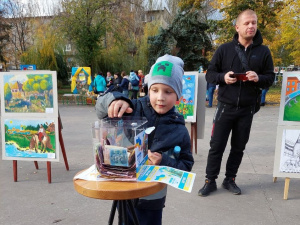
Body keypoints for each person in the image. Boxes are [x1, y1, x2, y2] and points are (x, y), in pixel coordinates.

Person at [96, 54, 194, 225]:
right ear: (148, 89)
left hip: (153, 198)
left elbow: (186, 166)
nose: (160, 97)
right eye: (155, 90)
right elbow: (100, 107)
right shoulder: (133, 108)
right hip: (124, 191)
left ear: (178, 95)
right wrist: (116, 100)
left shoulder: (180, 130)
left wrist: (164, 160)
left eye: (168, 91)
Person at [198, 9, 275, 197]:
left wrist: (259, 78)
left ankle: (230, 179)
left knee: (238, 147)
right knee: (217, 145)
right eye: (247, 23)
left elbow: (270, 77)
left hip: (247, 109)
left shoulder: (263, 52)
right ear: (237, 27)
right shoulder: (224, 49)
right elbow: (210, 74)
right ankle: (210, 180)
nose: (251, 26)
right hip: (225, 107)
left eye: (254, 23)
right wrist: (223, 77)